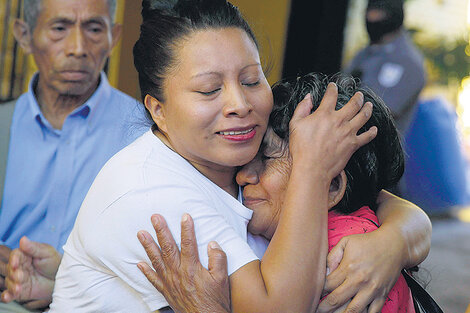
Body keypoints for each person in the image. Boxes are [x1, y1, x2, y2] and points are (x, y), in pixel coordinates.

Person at [47, 1, 431, 312]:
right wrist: (311, 171)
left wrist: (395, 240)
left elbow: (371, 196)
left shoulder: (229, 153)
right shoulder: (154, 195)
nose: (239, 104)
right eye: (209, 89)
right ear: (158, 110)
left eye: (251, 80)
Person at [137, 73, 431, 313]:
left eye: (267, 159)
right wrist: (401, 235)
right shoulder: (355, 228)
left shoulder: (346, 270)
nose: (243, 175)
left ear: (332, 187)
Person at [0, 0, 146, 311]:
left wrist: (68, 281)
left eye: (94, 29)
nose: (78, 47)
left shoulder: (146, 133)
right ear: (24, 35)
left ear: (114, 36)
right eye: (60, 28)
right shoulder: (2, 127)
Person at [345, 0, 426, 137]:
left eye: (377, 13)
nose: (371, 18)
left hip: (375, 154)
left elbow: (377, 113)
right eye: (369, 12)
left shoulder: (407, 61)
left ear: (393, 15)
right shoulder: (365, 53)